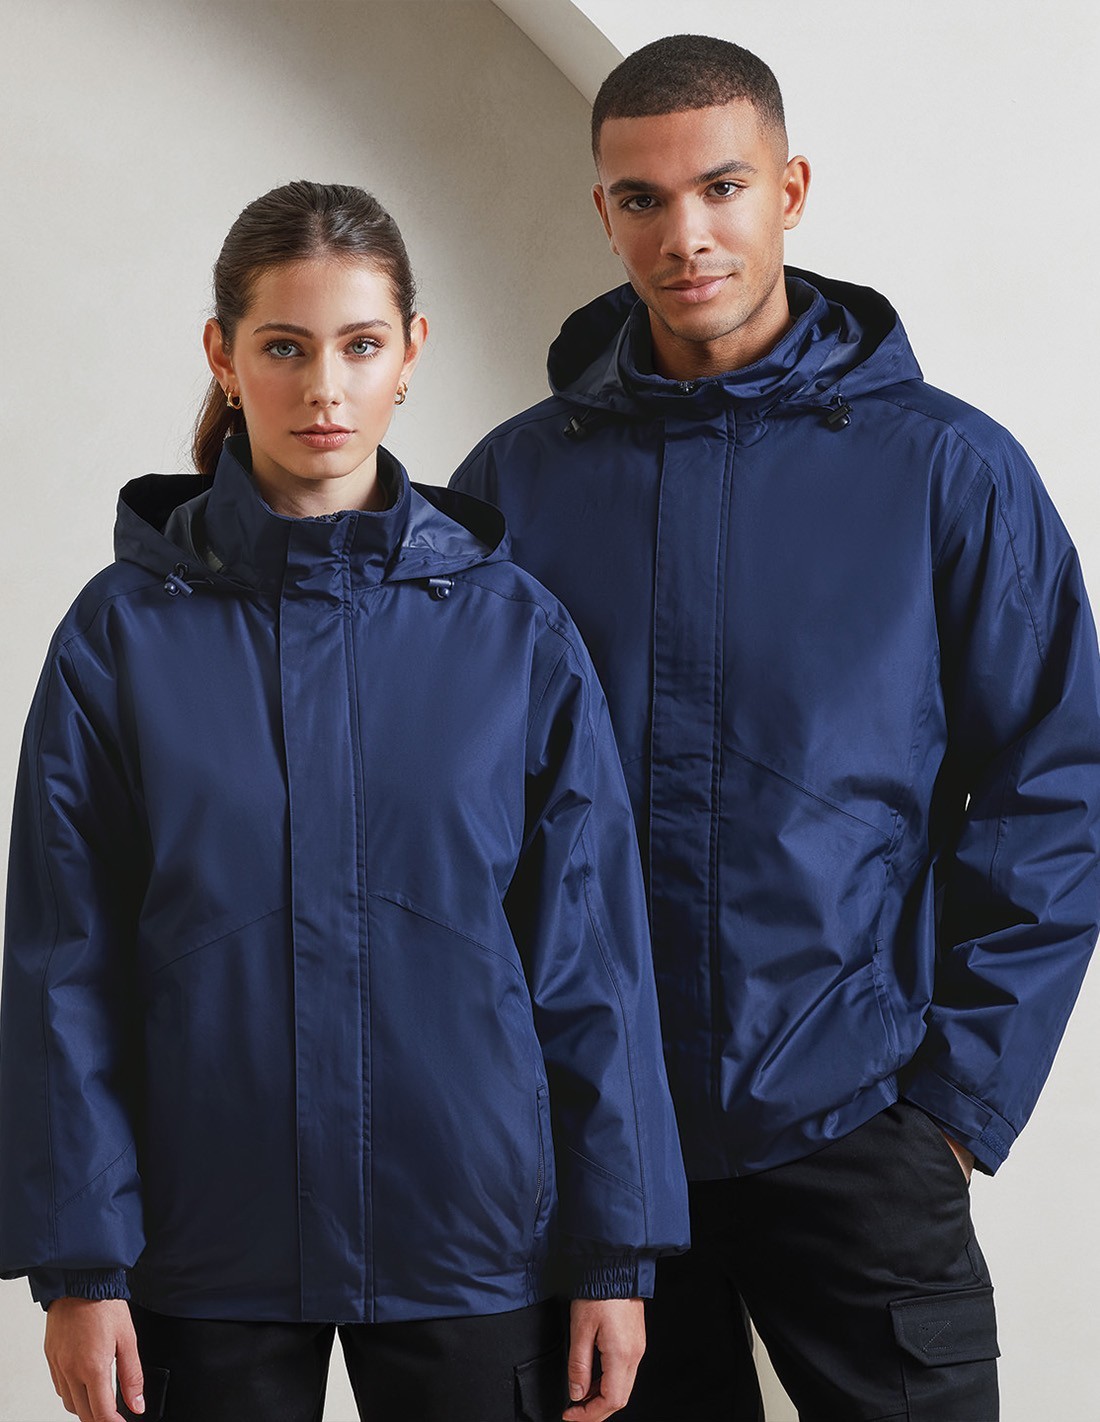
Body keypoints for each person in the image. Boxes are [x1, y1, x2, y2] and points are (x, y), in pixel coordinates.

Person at [451, 34, 1100, 1421]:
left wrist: (954, 1102)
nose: (684, 235)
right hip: (597, 1158)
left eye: (722, 187)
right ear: (604, 212)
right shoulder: (516, 483)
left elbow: (1057, 781)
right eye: (643, 199)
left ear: (790, 189)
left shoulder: (949, 471)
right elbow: (455, 806)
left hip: (860, 1126)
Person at [0, 180, 690, 1422]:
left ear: (409, 353)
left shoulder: (514, 634)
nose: (325, 387)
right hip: (201, 1246)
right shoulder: (119, 638)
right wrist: (80, 1265)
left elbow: (590, 962)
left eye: (360, 345)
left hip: (472, 1233)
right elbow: (65, 967)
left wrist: (613, 1253)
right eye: (284, 347)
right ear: (223, 357)